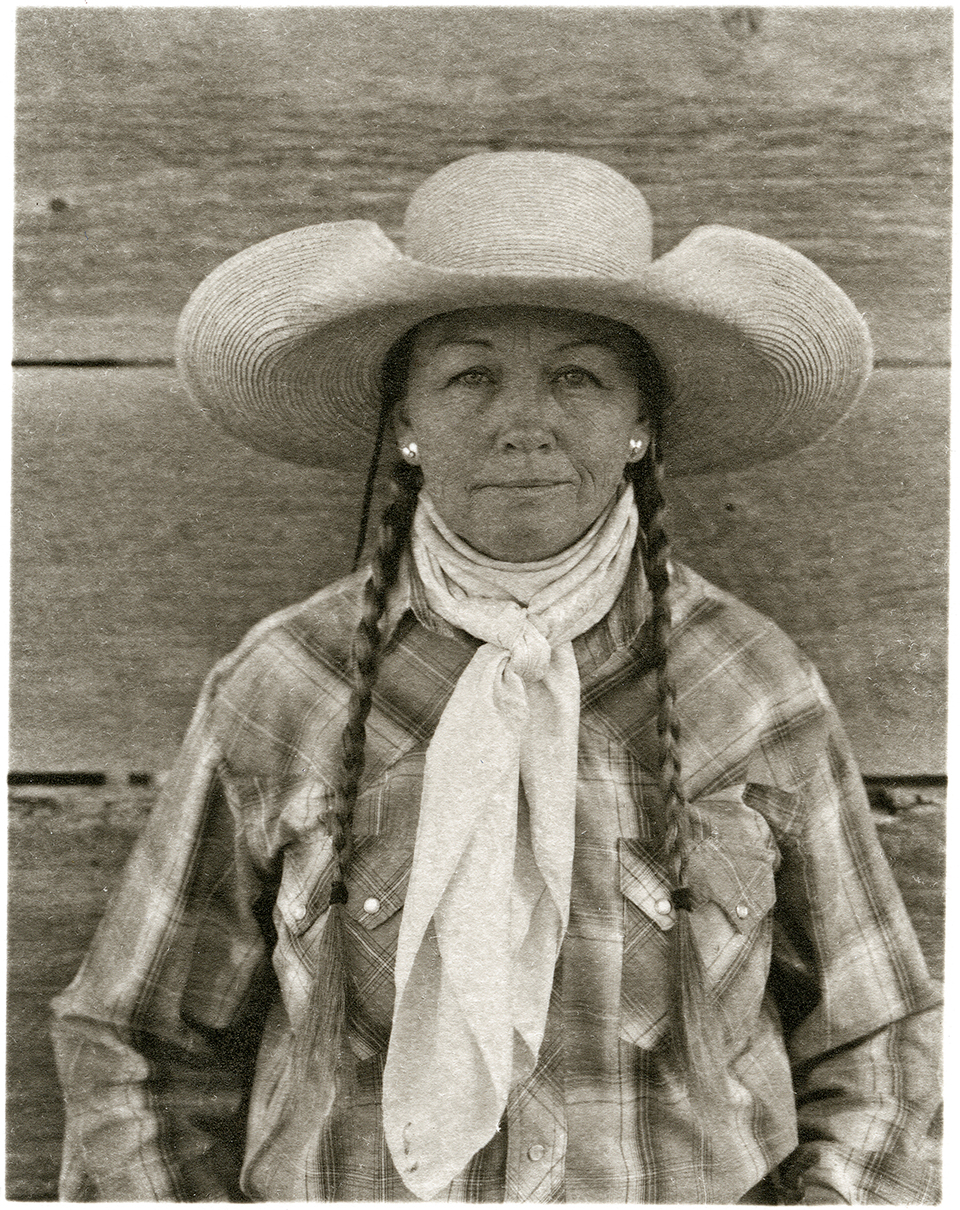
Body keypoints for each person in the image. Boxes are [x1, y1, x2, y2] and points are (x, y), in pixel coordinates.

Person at [51, 151, 940, 1204]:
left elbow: (880, 1036)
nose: (525, 421)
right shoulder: (287, 684)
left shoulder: (748, 684)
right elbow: (137, 1039)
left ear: (642, 423)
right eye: (471, 375)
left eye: (578, 376)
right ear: (409, 427)